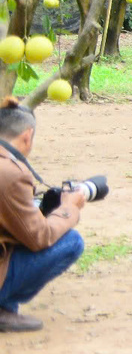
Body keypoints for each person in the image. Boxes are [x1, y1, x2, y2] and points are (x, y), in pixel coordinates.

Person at [0, 98, 86, 333]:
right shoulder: (11, 172)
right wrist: (69, 208)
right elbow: (39, 237)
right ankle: (2, 306)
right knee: (71, 241)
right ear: (27, 136)